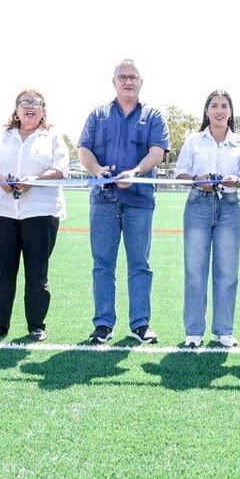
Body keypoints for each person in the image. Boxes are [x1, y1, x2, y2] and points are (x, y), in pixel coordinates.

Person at [77, 59, 171, 345]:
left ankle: (140, 324)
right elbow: (84, 149)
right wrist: (98, 171)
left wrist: (136, 172)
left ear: (141, 82)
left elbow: (157, 152)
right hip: (104, 201)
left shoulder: (154, 116)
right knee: (102, 264)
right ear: (114, 81)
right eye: (122, 77)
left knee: (139, 264)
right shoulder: (98, 114)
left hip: (139, 202)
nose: (128, 81)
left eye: (133, 77)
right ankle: (103, 324)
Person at [0, 89, 69, 343]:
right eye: (25, 102)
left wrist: (34, 181)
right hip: (3, 211)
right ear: (16, 110)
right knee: (1, 271)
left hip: (41, 212)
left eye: (36, 103)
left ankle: (36, 326)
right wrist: (0, 180)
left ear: (43, 111)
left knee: (37, 272)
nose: (30, 107)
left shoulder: (52, 136)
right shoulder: (1, 135)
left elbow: (60, 169)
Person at [174, 89, 240, 349]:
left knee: (227, 271)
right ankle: (194, 332)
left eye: (224, 106)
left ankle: (223, 331)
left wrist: (236, 181)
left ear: (231, 112)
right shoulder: (194, 141)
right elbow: (180, 174)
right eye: (214, 105)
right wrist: (197, 180)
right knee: (195, 270)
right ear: (206, 111)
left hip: (229, 208)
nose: (219, 110)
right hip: (198, 206)